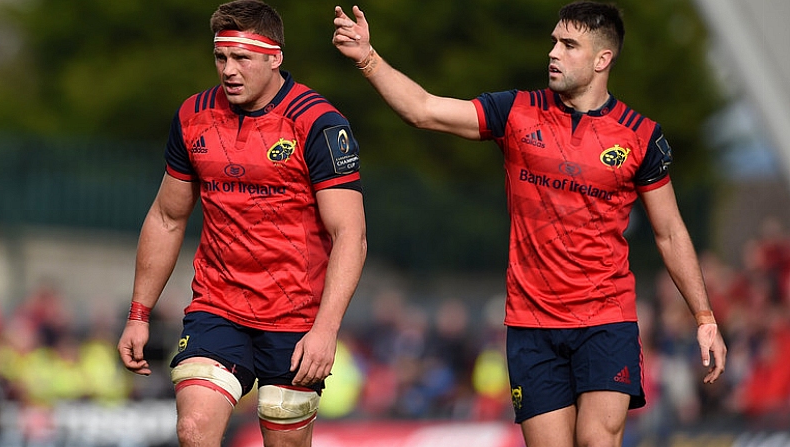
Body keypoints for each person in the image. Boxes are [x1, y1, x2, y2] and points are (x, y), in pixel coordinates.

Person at [332, 2, 726, 446]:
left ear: (603, 59)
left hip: (606, 318)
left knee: (598, 439)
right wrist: (368, 57)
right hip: (531, 324)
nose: (554, 52)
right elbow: (424, 109)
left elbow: (670, 232)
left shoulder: (639, 135)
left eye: (569, 45)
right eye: (554, 41)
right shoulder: (516, 112)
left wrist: (704, 315)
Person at [117, 0, 367, 445]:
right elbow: (167, 217)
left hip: (295, 317)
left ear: (275, 57)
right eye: (221, 57)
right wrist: (139, 314)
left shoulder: (319, 124)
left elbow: (351, 235)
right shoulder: (193, 116)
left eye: (242, 58)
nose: (228, 70)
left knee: (282, 427)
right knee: (193, 427)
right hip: (218, 307)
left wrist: (326, 330)